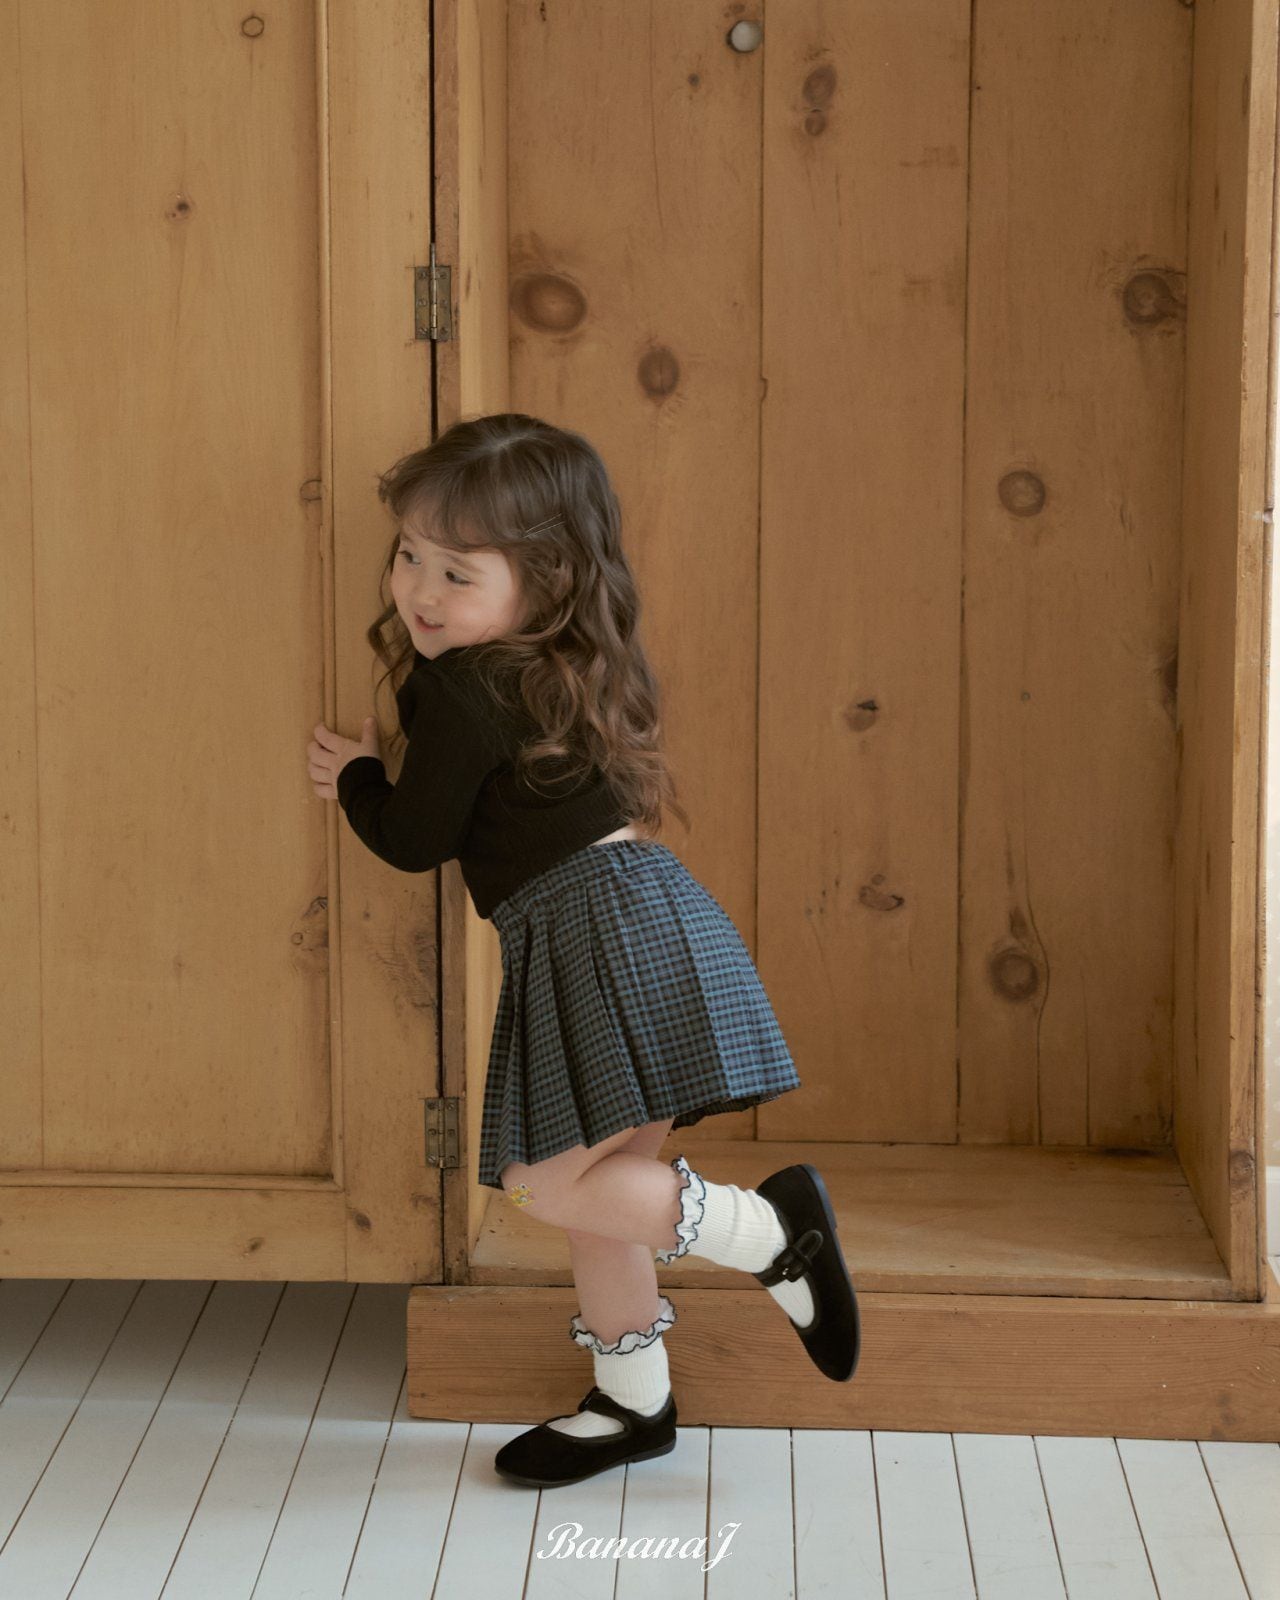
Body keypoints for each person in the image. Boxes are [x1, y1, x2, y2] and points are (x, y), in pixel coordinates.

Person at [305, 412, 859, 1490]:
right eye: (409, 555)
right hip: (638, 915)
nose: (419, 591)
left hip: (590, 936)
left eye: (457, 573)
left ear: (545, 583)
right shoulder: (559, 666)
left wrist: (358, 780)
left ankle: (769, 1231)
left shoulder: (465, 689)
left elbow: (416, 838)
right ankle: (630, 1399)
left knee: (542, 1185)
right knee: (605, 1188)